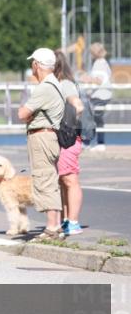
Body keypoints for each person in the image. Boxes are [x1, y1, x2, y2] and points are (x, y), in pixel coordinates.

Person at [17, 48, 65, 240]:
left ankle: (51, 228)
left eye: (33, 63)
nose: (32, 66)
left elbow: (22, 113)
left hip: (42, 137)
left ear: (37, 64)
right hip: (50, 136)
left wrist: (25, 111)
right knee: (51, 180)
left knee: (44, 179)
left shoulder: (45, 87)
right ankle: (57, 225)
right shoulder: (56, 84)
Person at [54, 50, 85, 236]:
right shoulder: (61, 83)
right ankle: (66, 220)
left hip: (68, 138)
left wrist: (67, 125)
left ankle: (73, 222)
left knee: (70, 179)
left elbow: (77, 105)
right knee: (63, 180)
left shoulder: (65, 84)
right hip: (66, 138)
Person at [84, 42, 112, 152]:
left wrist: (86, 79)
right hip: (100, 95)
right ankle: (95, 142)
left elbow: (99, 80)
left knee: (94, 118)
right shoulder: (101, 63)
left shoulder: (100, 63)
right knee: (94, 118)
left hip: (101, 95)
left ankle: (95, 143)